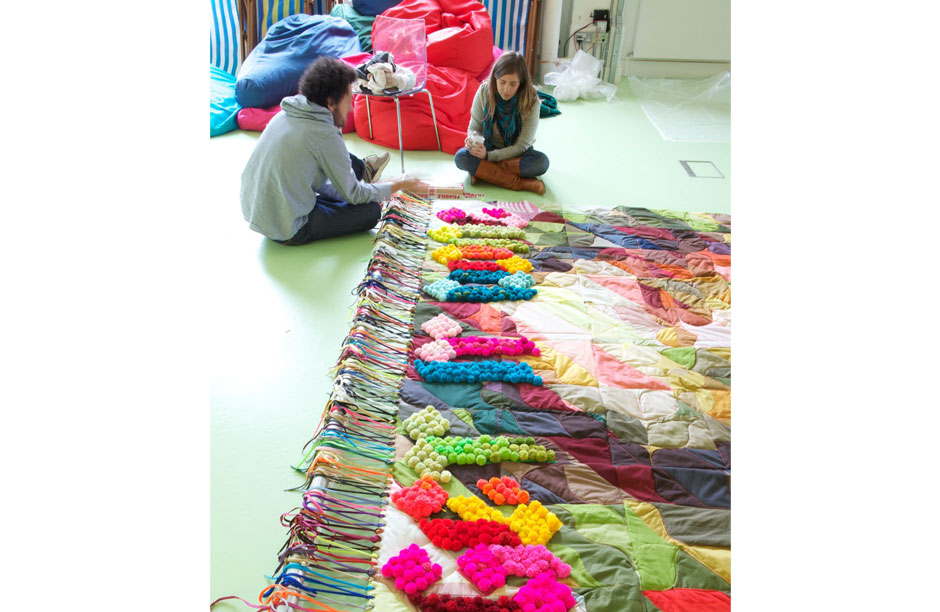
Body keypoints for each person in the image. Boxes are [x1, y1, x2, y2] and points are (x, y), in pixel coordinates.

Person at [241, 56, 427, 245]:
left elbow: (318, 181)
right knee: (371, 211)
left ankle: (365, 173)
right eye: (348, 101)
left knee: (343, 164)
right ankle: (366, 174)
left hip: (259, 214)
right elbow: (354, 195)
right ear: (331, 103)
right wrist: (396, 187)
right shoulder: (325, 134)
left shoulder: (286, 114)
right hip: (288, 229)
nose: (350, 109)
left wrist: (376, 189)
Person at [454, 52, 549, 195]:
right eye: (502, 82)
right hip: (488, 147)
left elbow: (522, 145)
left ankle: (483, 172)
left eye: (513, 84)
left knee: (541, 162)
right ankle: (521, 183)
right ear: (495, 78)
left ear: (521, 83)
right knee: (461, 157)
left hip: (516, 153)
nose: (506, 89)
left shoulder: (532, 100)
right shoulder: (484, 91)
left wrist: (488, 158)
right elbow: (474, 127)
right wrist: (474, 140)